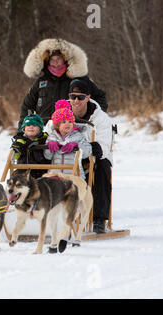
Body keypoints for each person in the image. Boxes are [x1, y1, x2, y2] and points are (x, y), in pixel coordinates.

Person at [19, 38, 107, 129]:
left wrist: (96, 119)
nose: (55, 62)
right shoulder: (41, 82)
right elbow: (27, 106)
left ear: (65, 59)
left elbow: (100, 97)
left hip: (72, 130)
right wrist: (23, 129)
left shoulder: (80, 80)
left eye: (58, 58)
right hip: (45, 131)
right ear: (47, 61)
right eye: (52, 59)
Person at [67, 79, 114, 234]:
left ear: (88, 97)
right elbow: (49, 130)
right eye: (73, 96)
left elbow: (104, 147)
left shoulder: (100, 118)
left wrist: (88, 148)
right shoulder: (62, 113)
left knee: (102, 167)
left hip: (93, 157)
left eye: (80, 97)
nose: (76, 101)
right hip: (66, 154)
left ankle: (99, 218)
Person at [44, 100, 92, 177]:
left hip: (75, 174)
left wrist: (77, 146)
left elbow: (87, 152)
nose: (67, 124)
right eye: (63, 122)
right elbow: (47, 156)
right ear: (57, 125)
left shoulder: (78, 136)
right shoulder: (52, 136)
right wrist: (49, 147)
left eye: (70, 122)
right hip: (56, 175)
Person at [10, 113, 50, 179]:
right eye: (28, 125)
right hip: (23, 174)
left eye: (34, 125)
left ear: (40, 128)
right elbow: (14, 157)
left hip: (41, 174)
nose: (31, 127)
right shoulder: (20, 141)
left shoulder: (45, 140)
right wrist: (17, 148)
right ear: (24, 128)